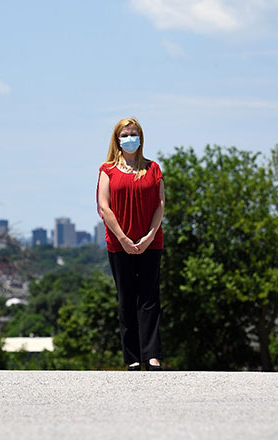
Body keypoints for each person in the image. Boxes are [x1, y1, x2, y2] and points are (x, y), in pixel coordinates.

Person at [97, 118, 165, 371]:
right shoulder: (107, 170)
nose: (130, 138)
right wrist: (123, 239)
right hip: (119, 244)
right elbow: (104, 206)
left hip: (150, 242)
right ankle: (133, 358)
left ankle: (152, 355)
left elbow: (160, 204)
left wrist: (149, 236)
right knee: (126, 298)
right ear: (117, 139)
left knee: (149, 299)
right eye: (125, 134)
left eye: (134, 134)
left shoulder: (153, 168)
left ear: (141, 137)